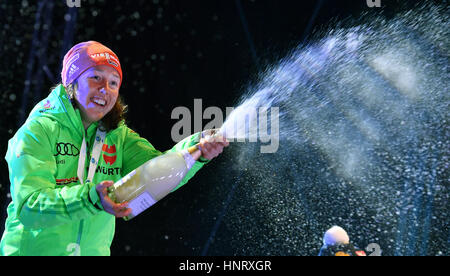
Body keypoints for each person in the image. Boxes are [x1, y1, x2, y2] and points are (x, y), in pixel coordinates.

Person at [0, 41, 229, 256]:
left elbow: (158, 173)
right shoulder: (38, 131)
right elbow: (30, 208)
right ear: (72, 82)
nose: (105, 89)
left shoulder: (117, 136)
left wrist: (197, 149)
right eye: (96, 77)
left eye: (113, 83)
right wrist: (91, 199)